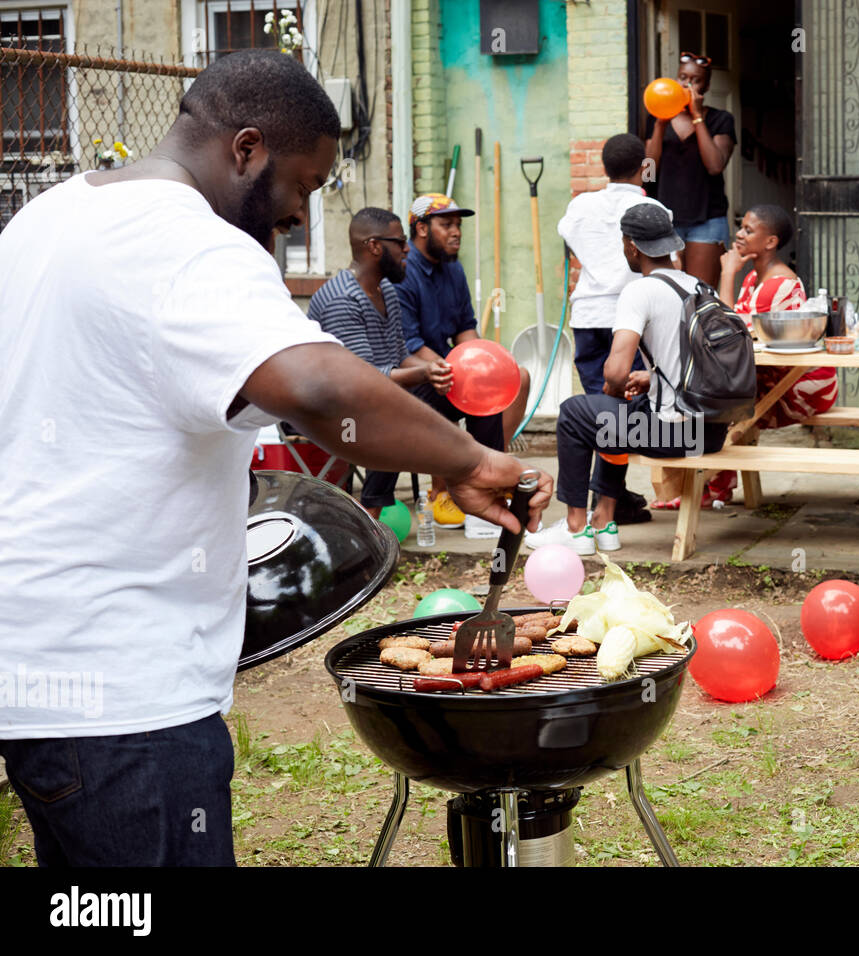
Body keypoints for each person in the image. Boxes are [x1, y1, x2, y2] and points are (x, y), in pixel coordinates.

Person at [0, 50, 551, 867]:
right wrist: (468, 458)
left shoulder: (48, 217)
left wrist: (429, 455)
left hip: (41, 671)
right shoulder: (187, 242)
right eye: (302, 185)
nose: (297, 215)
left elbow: (255, 390)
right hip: (123, 691)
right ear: (247, 148)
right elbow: (315, 385)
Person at [525, 202, 729, 554]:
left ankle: (575, 528)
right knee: (615, 415)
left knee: (576, 413)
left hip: (673, 434)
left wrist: (612, 387)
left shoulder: (640, 290)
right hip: (708, 434)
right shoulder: (699, 287)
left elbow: (615, 371)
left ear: (631, 246)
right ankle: (604, 523)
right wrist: (651, 380)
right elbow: (695, 366)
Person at [660, 204, 835, 509]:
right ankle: (710, 484)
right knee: (713, 396)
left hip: (802, 388)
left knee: (716, 402)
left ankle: (705, 486)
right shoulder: (756, 278)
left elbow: (728, 335)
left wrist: (727, 273)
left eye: (749, 230)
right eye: (741, 227)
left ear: (771, 242)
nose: (739, 234)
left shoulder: (779, 284)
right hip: (772, 379)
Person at [396, 191, 533, 528]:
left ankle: (488, 472)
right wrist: (459, 371)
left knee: (513, 380)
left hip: (447, 368)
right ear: (422, 229)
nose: (456, 231)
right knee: (468, 384)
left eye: (458, 224)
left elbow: (465, 330)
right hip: (414, 377)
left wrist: (485, 366)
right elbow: (409, 347)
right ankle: (446, 486)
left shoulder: (453, 270)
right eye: (447, 224)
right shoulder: (403, 272)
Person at [307, 207, 453, 518]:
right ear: (374, 246)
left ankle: (475, 494)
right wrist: (423, 373)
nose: (407, 249)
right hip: (334, 410)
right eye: (400, 242)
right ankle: (368, 516)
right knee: (397, 411)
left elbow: (400, 355)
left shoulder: (385, 289)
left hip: (374, 395)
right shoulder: (343, 299)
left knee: (460, 394)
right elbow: (364, 379)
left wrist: (440, 372)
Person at [557, 132, 665, 525]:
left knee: (597, 412)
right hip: (630, 319)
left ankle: (599, 505)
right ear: (643, 168)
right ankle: (606, 507)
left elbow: (566, 233)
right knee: (619, 414)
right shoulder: (650, 207)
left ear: (604, 168)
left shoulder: (581, 205)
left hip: (587, 316)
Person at [644, 51, 736, 288]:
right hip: (665, 219)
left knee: (701, 293)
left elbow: (715, 165)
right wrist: (660, 124)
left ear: (706, 85)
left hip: (706, 221)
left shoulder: (720, 119)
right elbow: (648, 173)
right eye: (683, 77)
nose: (687, 84)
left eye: (696, 80)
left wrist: (697, 117)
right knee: (666, 292)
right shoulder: (656, 120)